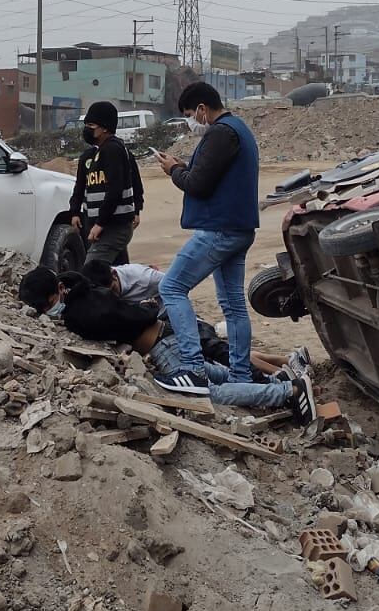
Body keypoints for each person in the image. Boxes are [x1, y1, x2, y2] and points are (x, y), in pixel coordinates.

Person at [17, 266, 313, 420]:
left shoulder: (81, 312)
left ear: (59, 289)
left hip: (163, 346)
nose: (49, 311)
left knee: (208, 393)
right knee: (211, 371)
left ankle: (287, 392)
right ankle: (276, 380)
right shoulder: (84, 289)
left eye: (49, 304)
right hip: (169, 336)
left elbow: (126, 320)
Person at [150, 82, 261, 397]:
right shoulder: (237, 130)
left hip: (220, 229)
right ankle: (240, 375)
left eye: (189, 114)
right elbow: (209, 175)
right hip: (238, 228)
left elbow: (197, 185)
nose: (190, 121)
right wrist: (182, 167)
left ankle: (193, 369)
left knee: (171, 287)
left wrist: (174, 171)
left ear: (202, 108)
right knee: (233, 305)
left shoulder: (220, 132)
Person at [78, 259, 309, 381]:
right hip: (165, 328)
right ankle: (288, 360)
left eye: (114, 289)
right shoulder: (103, 290)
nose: (114, 295)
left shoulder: (143, 277)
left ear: (114, 275)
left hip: (180, 321)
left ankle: (282, 374)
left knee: (223, 354)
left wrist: (163, 311)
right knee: (223, 353)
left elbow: (178, 286)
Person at [68, 101, 142, 266]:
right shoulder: (91, 155)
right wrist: (74, 211)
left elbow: (116, 189)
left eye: (91, 125)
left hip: (112, 225)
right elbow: (81, 187)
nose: (87, 129)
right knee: (117, 272)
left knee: (93, 270)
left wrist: (100, 223)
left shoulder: (113, 150)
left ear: (105, 128)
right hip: (100, 224)